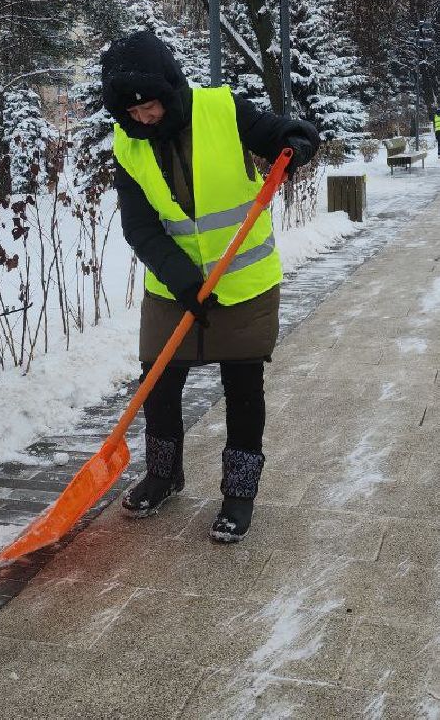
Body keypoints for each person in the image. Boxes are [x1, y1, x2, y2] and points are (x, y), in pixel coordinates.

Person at [101, 30, 319, 543]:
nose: (144, 118)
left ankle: (239, 494)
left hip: (242, 282)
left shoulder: (222, 110)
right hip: (174, 282)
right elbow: (139, 225)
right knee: (157, 380)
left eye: (151, 106)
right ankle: (162, 474)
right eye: (132, 111)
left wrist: (297, 141)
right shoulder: (127, 144)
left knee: (242, 386)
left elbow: (284, 133)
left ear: (171, 91)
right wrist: (181, 280)